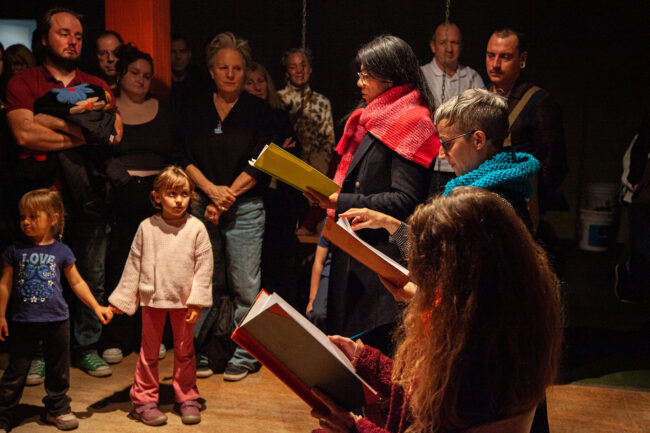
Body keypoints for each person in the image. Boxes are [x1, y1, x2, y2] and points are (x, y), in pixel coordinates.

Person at [311, 187, 564, 433]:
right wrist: (365, 359)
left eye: (431, 271)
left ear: (460, 274)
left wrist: (352, 427)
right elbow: (423, 393)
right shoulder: (501, 322)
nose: (422, 281)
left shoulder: (472, 358)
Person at [5, 7, 123, 378]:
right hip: (40, 197)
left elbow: (114, 133)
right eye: (64, 33)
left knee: (90, 274)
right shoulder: (24, 82)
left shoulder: (95, 84)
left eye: (78, 35)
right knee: (38, 277)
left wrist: (50, 122)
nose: (73, 41)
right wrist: (85, 132)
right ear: (44, 38)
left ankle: (86, 347)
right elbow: (23, 133)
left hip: (89, 194)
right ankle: (39, 352)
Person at [304, 35, 439, 351]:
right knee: (345, 348)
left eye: (367, 75)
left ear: (390, 78)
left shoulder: (413, 120)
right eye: (360, 74)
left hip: (381, 261)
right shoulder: (373, 116)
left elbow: (405, 199)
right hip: (354, 249)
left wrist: (340, 200)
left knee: (371, 351)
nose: (359, 82)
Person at [342, 88, 540, 298]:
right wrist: (389, 223)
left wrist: (420, 297)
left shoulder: (487, 205)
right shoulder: (497, 192)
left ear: (478, 140)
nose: (442, 155)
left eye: (448, 144)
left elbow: (470, 292)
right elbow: (441, 255)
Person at [177, 31, 272, 382]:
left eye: (237, 68)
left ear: (246, 71)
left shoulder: (259, 110)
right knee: (205, 284)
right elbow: (181, 156)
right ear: (211, 71)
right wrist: (210, 192)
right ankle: (204, 349)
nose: (231, 74)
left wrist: (226, 196)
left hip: (244, 209)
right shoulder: (193, 107)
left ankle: (247, 354)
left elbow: (262, 161)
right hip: (201, 206)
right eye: (223, 68)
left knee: (245, 287)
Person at [0, 189, 113, 432]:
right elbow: (4, 284)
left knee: (58, 371)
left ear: (52, 219)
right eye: (23, 217)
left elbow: (77, 282)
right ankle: (3, 414)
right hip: (23, 321)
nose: (26, 222)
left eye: (33, 216)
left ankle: (57, 408)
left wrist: (96, 306)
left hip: (57, 320)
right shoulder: (15, 251)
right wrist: (0, 315)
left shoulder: (62, 251)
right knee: (16, 372)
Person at [108, 166, 213, 426]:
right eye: (172, 194)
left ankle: (187, 397)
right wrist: (122, 299)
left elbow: (204, 268)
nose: (179, 200)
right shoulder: (147, 227)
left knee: (185, 352)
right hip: (153, 300)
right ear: (157, 197)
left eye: (184, 194)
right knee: (149, 353)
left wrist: (196, 302)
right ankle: (144, 400)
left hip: (184, 302)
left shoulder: (197, 228)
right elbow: (134, 264)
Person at [101, 43, 174, 364]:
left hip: (159, 199)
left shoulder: (164, 110)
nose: (141, 80)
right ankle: (117, 335)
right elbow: (100, 153)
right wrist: (126, 185)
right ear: (121, 75)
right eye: (134, 73)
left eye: (147, 76)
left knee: (157, 271)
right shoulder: (108, 110)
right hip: (121, 198)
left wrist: (163, 191)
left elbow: (175, 153)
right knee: (120, 268)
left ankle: (153, 336)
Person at [485, 28, 567, 214]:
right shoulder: (480, 96)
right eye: (491, 56)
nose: (495, 64)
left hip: (519, 205)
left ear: (521, 59)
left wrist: (532, 200)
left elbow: (555, 164)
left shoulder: (538, 102)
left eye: (505, 57)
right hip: (483, 200)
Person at [245, 61, 302, 307]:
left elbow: (294, 152)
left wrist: (274, 152)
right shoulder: (244, 119)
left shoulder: (278, 114)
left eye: (261, 81)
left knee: (284, 260)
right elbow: (255, 157)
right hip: (256, 196)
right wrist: (276, 150)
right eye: (250, 82)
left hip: (283, 198)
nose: (257, 87)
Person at [420, 22, 485, 193]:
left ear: (461, 46)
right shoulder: (421, 75)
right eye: (443, 43)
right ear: (433, 46)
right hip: (429, 166)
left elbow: (481, 117)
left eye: (454, 43)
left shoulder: (472, 77)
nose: (449, 49)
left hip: (464, 167)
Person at [278, 47, 336, 235]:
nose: (299, 71)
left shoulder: (321, 101)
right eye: (293, 67)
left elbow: (329, 139)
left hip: (315, 168)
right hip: (285, 167)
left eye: (303, 65)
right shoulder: (278, 99)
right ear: (287, 72)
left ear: (310, 69)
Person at [615, 111, 650, 304]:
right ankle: (632, 287)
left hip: (639, 197)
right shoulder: (643, 139)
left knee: (641, 245)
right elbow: (636, 153)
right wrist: (634, 183)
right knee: (641, 246)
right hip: (641, 199)